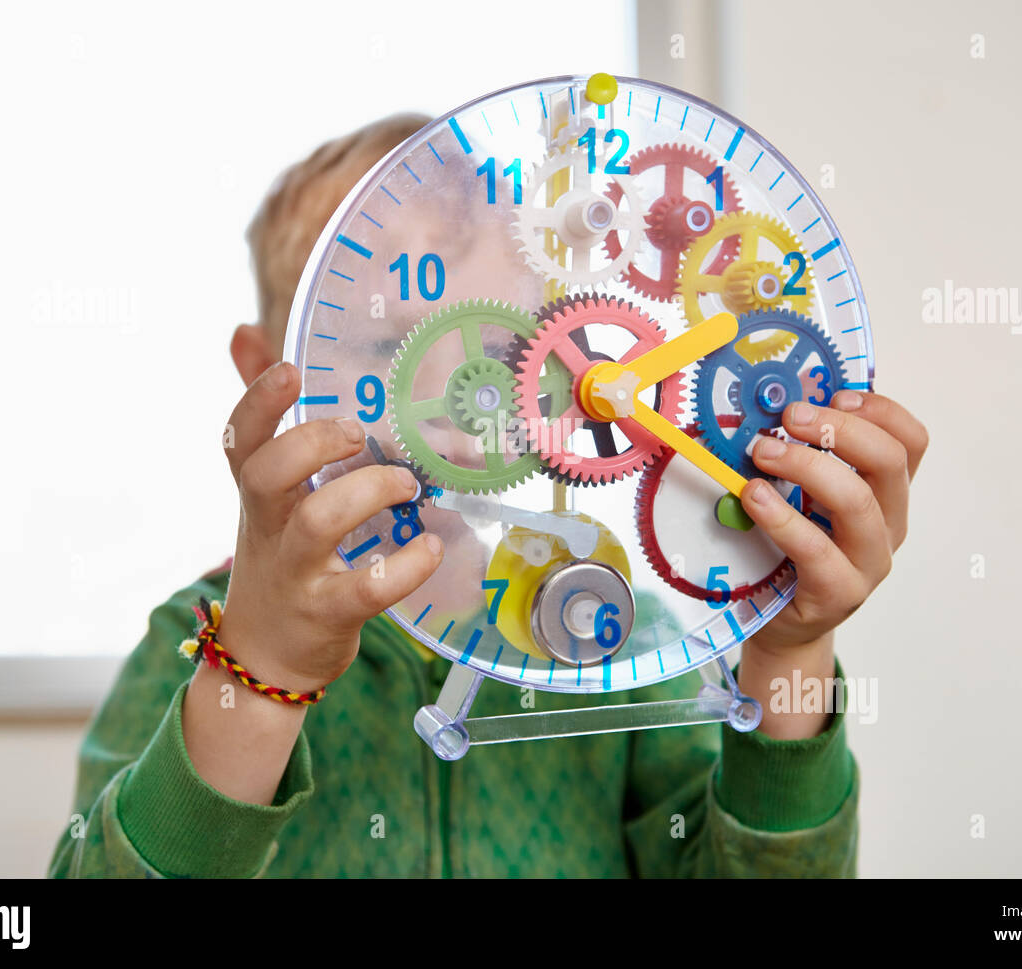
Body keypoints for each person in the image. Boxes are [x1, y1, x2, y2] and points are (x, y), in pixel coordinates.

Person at [48, 113, 929, 878]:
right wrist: (261, 671)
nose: (463, 434)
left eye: (508, 359)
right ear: (262, 372)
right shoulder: (191, 642)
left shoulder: (625, 647)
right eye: (383, 343)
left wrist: (783, 654)